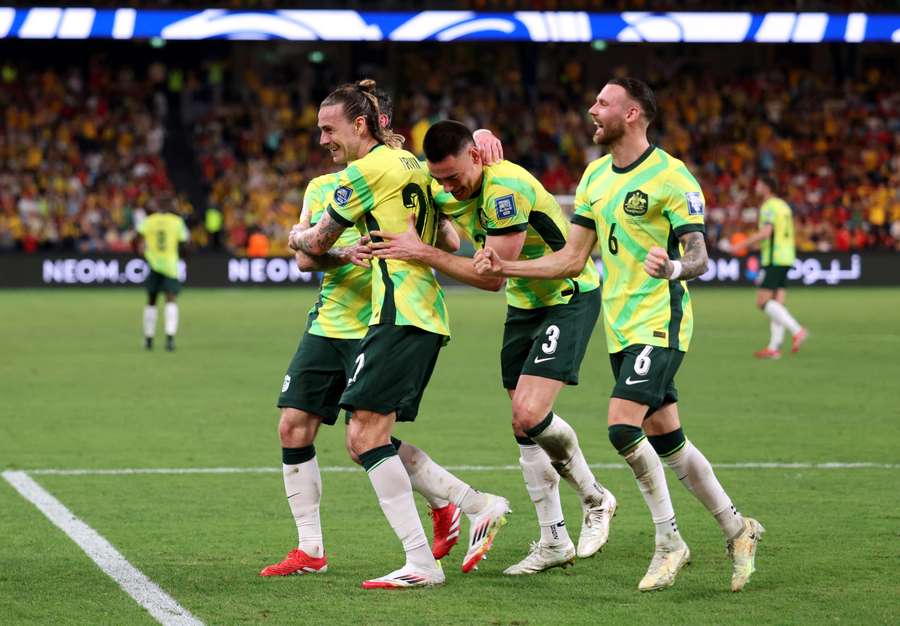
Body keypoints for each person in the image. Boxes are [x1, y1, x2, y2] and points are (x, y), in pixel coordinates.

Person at [474, 78, 764, 592]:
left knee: (621, 427)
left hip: (661, 317)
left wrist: (674, 268)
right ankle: (738, 528)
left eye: (603, 103)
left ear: (632, 114)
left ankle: (669, 541)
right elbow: (571, 259)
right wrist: (506, 267)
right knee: (667, 439)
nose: (592, 109)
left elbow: (699, 255)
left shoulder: (671, 176)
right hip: (620, 324)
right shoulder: (594, 176)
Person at [261, 93, 507, 582]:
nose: (322, 139)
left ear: (363, 124)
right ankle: (322, 548)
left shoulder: (369, 173)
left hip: (395, 312)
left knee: (366, 437)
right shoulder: (406, 167)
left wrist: (295, 235)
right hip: (357, 318)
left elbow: (313, 243)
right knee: (338, 434)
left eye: (329, 129)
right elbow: (318, 256)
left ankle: (454, 523)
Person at [370, 120, 617, 576]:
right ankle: (554, 540)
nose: (448, 187)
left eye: (454, 176)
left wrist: (423, 253)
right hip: (523, 305)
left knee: (530, 413)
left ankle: (595, 497)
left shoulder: (506, 189)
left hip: (567, 295)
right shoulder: (442, 184)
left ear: (475, 156)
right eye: (439, 178)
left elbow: (492, 277)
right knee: (523, 426)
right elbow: (439, 215)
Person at [737, 175, 808, 359]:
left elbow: (766, 232)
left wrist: (743, 244)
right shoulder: (784, 206)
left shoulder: (768, 206)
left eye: (759, 184)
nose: (756, 187)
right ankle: (774, 347)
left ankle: (797, 330)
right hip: (787, 255)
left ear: (767, 187)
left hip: (774, 257)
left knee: (762, 302)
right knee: (777, 304)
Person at [135, 197, 188, 351]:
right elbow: (185, 243)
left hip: (153, 263)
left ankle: (149, 339)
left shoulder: (149, 220)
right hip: (170, 266)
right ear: (171, 205)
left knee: (151, 301)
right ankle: (170, 339)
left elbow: (136, 238)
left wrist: (141, 251)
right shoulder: (177, 221)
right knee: (171, 300)